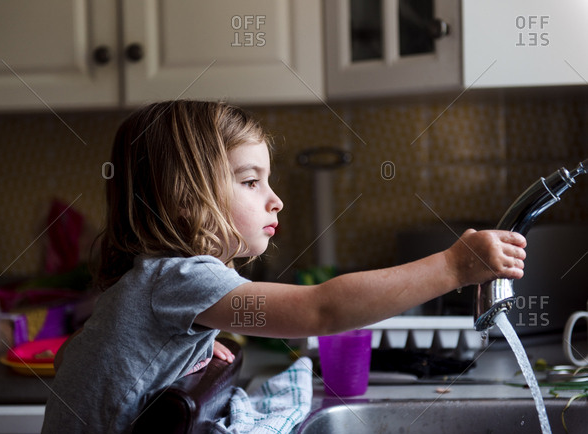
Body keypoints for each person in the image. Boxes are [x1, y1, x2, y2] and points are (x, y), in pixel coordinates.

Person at [41, 100, 527, 433]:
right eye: (251, 181)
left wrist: (183, 360)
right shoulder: (180, 277)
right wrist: (452, 268)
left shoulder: (144, 280)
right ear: (186, 200)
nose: (275, 200)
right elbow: (320, 311)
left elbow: (72, 360)